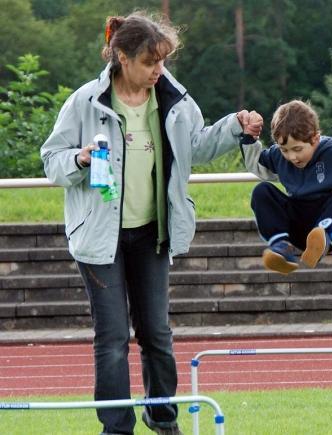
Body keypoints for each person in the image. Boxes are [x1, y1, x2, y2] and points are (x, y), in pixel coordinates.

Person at [40, 12, 262, 435]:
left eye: (163, 61)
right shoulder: (85, 101)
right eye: (150, 62)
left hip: (153, 234)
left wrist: (235, 127)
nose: (159, 70)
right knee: (112, 340)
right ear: (122, 57)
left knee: (157, 335)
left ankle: (163, 419)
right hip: (98, 238)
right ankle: (117, 428)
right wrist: (80, 159)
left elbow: (196, 146)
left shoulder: (175, 100)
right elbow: (51, 160)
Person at [240, 100, 332, 274]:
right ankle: (281, 246)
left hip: (328, 221)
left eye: (298, 149)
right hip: (296, 223)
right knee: (262, 191)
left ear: (315, 138)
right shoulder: (279, 157)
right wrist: (249, 137)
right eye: (285, 150)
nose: (292, 157)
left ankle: (322, 238)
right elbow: (257, 164)